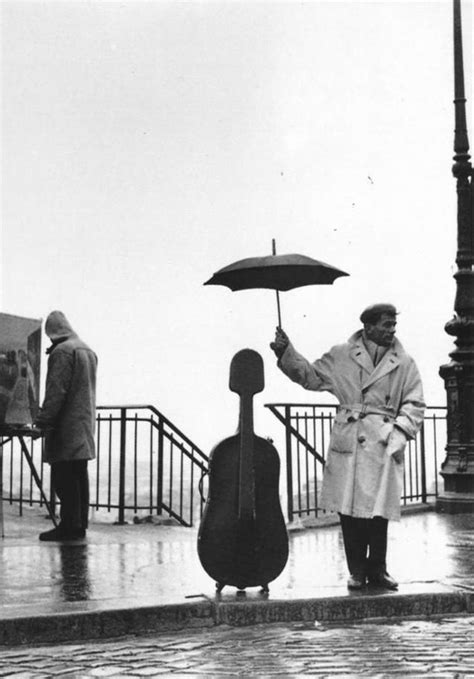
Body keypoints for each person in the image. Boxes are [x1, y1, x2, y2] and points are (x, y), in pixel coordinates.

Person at [270, 303, 425, 590]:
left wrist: (399, 431)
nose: (392, 330)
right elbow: (312, 377)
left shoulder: (404, 362)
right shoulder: (342, 355)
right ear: (367, 327)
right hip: (350, 440)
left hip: (383, 442)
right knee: (349, 510)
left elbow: (415, 403)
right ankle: (356, 570)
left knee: (379, 512)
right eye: (386, 324)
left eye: (394, 325)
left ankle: (378, 569)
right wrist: (286, 352)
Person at [34, 311, 98, 541]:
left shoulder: (62, 352)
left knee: (63, 477)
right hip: (83, 424)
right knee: (79, 475)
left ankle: (68, 525)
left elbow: (56, 392)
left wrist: (43, 421)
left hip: (65, 426)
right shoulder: (86, 349)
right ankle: (79, 524)